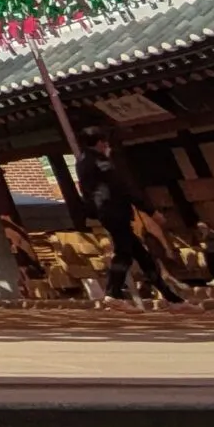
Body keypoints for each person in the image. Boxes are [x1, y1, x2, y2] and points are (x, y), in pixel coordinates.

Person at [75, 128, 181, 304]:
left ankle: (170, 296)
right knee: (123, 253)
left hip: (104, 211)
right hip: (116, 209)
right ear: (100, 142)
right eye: (104, 142)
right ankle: (113, 292)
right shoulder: (101, 162)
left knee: (142, 255)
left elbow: (85, 191)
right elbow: (122, 187)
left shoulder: (81, 162)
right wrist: (150, 210)